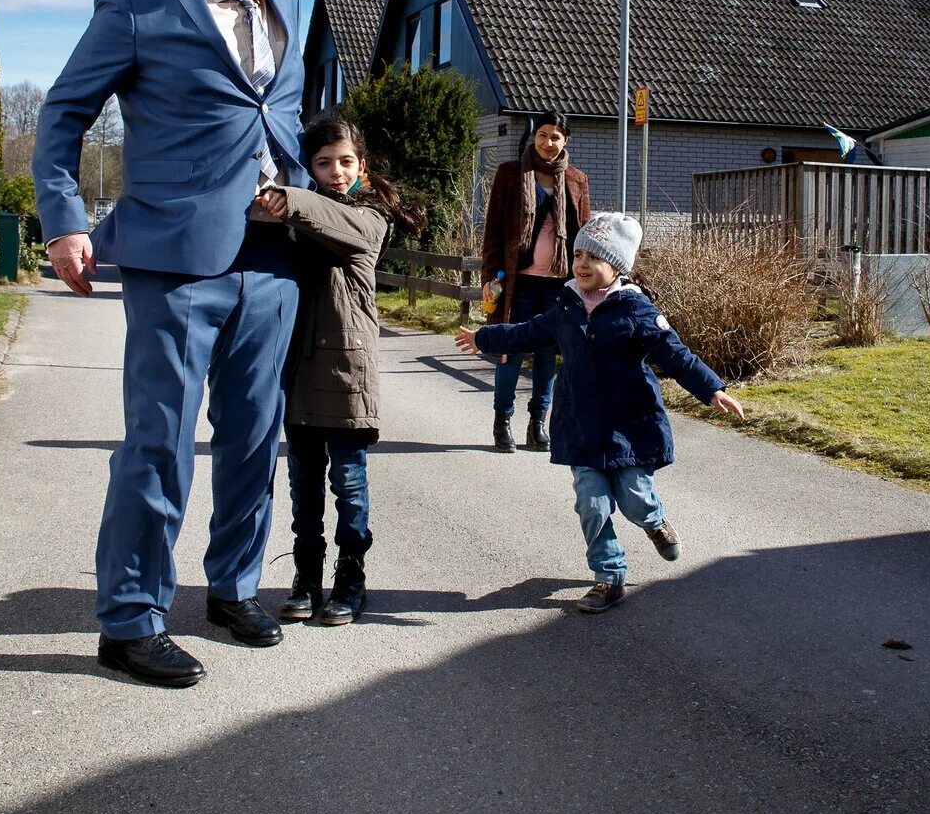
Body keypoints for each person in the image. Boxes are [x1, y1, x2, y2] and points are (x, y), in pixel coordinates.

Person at [32, 0, 314, 688]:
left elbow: (280, 113)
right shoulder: (135, 0)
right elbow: (63, 114)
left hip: (274, 259)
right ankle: (129, 618)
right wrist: (64, 222)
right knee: (158, 443)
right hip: (175, 263)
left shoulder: (287, 5)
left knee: (256, 439)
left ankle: (232, 587)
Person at [455, 213, 746, 614]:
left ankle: (655, 521)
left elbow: (676, 355)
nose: (583, 263)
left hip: (631, 425)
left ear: (618, 265)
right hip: (582, 425)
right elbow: (526, 332)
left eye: (595, 256)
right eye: (578, 254)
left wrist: (712, 388)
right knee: (591, 503)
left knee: (634, 499)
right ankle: (608, 576)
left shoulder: (637, 310)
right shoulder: (566, 306)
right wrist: (484, 336)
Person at [254, 114, 423, 627]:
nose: (336, 171)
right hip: (298, 368)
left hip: (348, 371)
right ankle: (307, 577)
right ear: (310, 165)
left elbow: (338, 224)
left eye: (346, 161)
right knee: (303, 486)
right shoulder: (300, 216)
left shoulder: (368, 216)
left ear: (362, 167)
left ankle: (351, 578)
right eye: (323, 163)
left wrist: (287, 199)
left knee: (349, 485)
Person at [477, 111, 590, 453]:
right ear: (535, 137)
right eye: (542, 135)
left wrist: (587, 281)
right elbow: (494, 229)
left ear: (565, 141)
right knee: (510, 351)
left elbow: (584, 234)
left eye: (555, 137)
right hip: (518, 283)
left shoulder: (576, 180)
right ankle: (502, 423)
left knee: (546, 355)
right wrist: (490, 277)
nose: (547, 142)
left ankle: (538, 424)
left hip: (558, 285)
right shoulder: (511, 174)